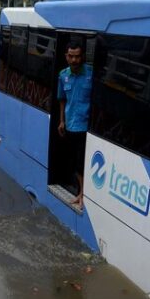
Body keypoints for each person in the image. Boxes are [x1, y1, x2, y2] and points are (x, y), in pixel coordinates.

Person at [57, 38, 93, 208]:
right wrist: (61, 121)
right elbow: (62, 100)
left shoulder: (91, 75)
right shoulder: (63, 76)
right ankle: (81, 191)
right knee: (74, 162)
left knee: (81, 161)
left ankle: (83, 193)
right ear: (66, 56)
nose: (74, 60)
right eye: (71, 56)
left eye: (77, 56)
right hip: (71, 125)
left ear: (82, 56)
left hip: (87, 127)